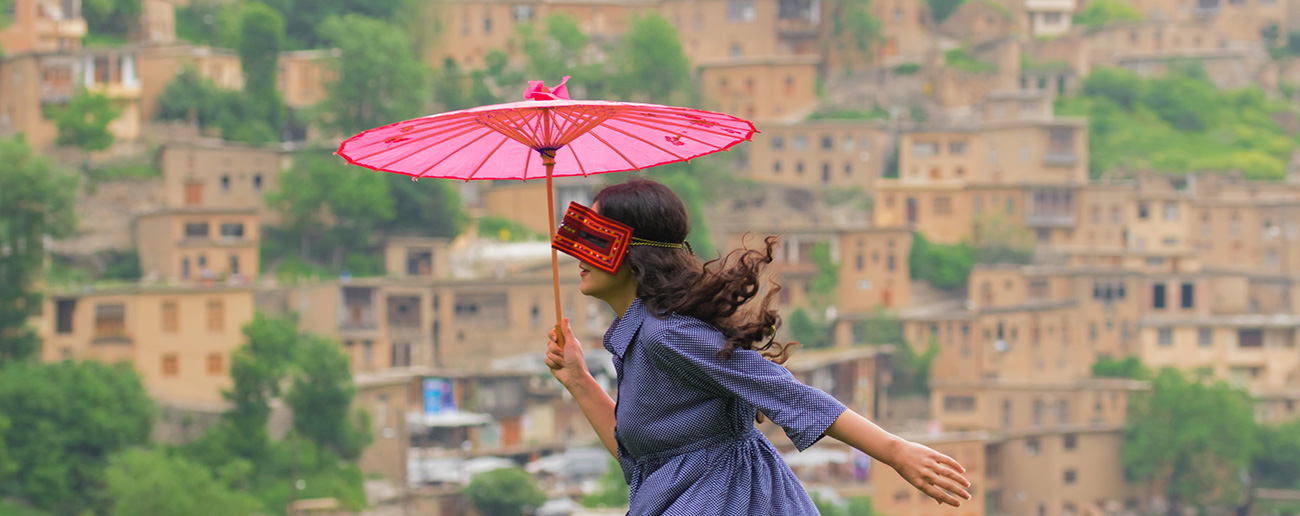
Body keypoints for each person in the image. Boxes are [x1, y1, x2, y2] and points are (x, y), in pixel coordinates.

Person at [544, 178, 970, 515]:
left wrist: (895, 452)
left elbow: (786, 391)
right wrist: (579, 381)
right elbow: (642, 461)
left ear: (632, 250)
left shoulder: (667, 335)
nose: (576, 253)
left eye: (592, 237)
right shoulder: (638, 338)